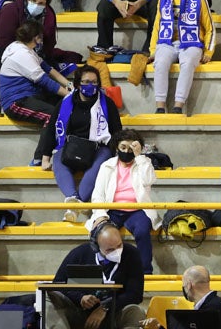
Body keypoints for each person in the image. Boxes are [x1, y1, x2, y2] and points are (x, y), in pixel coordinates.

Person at [0, 0, 81, 116]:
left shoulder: (49, 14)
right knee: (0, 54)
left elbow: (49, 48)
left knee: (50, 61)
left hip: (32, 49)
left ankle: (48, 98)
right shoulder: (11, 10)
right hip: (3, 46)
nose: (37, 5)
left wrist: (68, 84)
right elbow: (3, 40)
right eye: (34, 1)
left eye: (41, 3)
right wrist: (25, 53)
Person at [42, 65, 122, 222]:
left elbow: (116, 131)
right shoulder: (65, 103)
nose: (91, 85)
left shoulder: (107, 104)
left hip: (99, 148)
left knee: (101, 164)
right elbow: (52, 128)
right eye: (86, 82)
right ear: (78, 84)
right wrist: (45, 157)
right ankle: (75, 199)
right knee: (58, 160)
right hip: (71, 146)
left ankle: (73, 206)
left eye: (94, 82)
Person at [0, 20, 74, 165]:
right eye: (40, 37)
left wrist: (70, 85)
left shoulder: (26, 50)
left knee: (66, 106)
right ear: (35, 38)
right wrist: (70, 94)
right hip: (16, 102)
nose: (41, 40)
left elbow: (49, 69)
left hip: (31, 96)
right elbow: (45, 81)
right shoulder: (20, 54)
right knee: (52, 116)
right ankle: (39, 157)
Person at [87, 129, 161, 274]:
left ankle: (145, 272)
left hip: (138, 210)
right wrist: (100, 214)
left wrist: (140, 156)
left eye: (131, 148)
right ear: (116, 147)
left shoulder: (143, 163)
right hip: (112, 210)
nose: (127, 151)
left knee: (142, 231)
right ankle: (98, 272)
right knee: (100, 233)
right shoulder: (107, 166)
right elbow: (98, 195)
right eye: (123, 147)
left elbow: (149, 180)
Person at [47, 221, 146, 329]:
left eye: (119, 245)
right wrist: (80, 298)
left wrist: (105, 307)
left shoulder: (132, 254)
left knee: (136, 311)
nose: (117, 252)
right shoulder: (80, 254)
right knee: (48, 300)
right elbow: (58, 285)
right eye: (110, 250)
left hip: (113, 313)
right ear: (96, 247)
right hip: (79, 312)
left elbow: (135, 294)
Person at [148, 0, 215, 114]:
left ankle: (178, 106)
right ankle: (160, 107)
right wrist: (153, 50)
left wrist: (208, 52)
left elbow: (210, 28)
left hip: (192, 44)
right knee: (160, 62)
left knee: (188, 62)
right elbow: (157, 27)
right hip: (168, 42)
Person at [142, 266, 221, 329]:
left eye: (183, 284)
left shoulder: (210, 310)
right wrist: (158, 327)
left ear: (188, 285)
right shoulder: (217, 304)